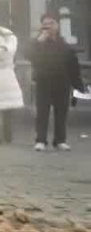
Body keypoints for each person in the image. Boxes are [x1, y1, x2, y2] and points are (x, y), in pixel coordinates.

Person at [27, 13, 82, 152]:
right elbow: (28, 55)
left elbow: (73, 66)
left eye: (51, 23)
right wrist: (39, 41)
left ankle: (60, 141)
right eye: (45, 23)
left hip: (62, 83)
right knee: (42, 113)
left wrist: (78, 85)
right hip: (43, 82)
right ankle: (40, 140)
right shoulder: (37, 43)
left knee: (61, 113)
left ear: (57, 26)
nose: (48, 26)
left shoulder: (64, 45)